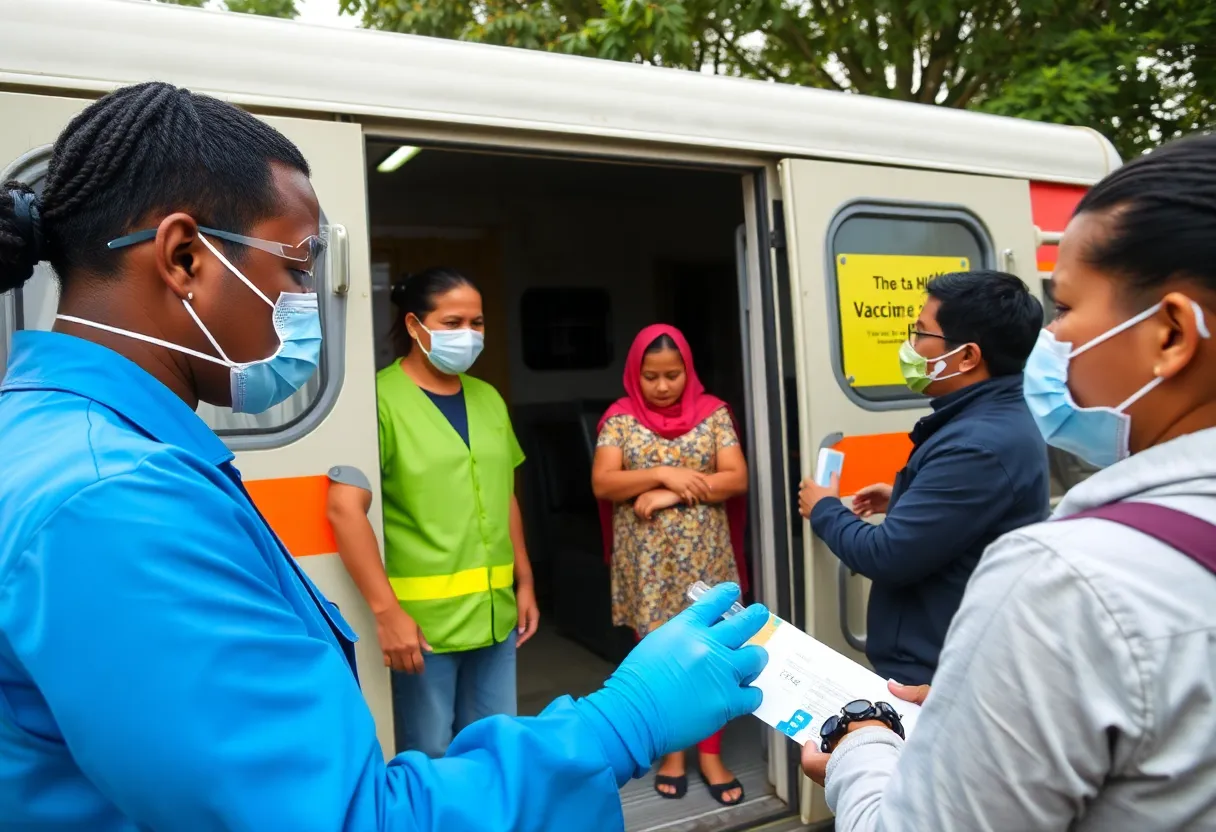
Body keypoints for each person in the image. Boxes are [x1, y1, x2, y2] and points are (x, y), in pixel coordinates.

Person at [0, 82, 771, 832]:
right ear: (184, 256)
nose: (306, 302)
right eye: (296, 268)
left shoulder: (76, 444)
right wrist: (622, 722)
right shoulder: (113, 501)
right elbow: (349, 818)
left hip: (490, 612)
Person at [802, 132, 1216, 830]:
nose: (1051, 340)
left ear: (1170, 334)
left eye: (1066, 309)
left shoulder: (1061, 581)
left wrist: (861, 745)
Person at [798, 270, 1048, 686]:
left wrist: (824, 508)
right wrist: (904, 497)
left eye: (920, 333)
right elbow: (968, 518)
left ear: (967, 357)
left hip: (936, 673)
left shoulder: (977, 446)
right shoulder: (992, 420)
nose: (910, 346)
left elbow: (887, 556)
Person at [347, 266, 537, 758]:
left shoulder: (488, 398)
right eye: (453, 323)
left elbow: (504, 493)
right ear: (414, 325)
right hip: (423, 627)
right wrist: (387, 614)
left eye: (477, 323)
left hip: (494, 617)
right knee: (429, 752)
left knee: (495, 744)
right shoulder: (379, 401)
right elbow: (345, 511)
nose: (468, 335)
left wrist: (525, 580)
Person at [592, 324, 751, 805]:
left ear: (688, 370)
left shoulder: (714, 412)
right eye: (651, 377)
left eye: (673, 375)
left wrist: (668, 494)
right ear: (634, 375)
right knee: (658, 655)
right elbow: (604, 482)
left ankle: (711, 754)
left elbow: (735, 478)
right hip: (648, 567)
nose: (662, 386)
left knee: (712, 649)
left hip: (705, 556)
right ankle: (673, 752)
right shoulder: (619, 419)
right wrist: (665, 473)